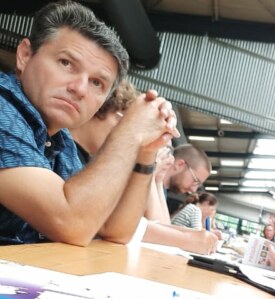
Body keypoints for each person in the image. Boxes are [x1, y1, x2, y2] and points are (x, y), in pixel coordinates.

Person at [0, 0, 179, 246]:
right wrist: (129, 130)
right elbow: (73, 224)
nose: (80, 88)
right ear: (25, 55)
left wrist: (147, 151)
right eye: (66, 63)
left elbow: (115, 230)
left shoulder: (60, 140)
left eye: (97, 83)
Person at [69, 81, 217, 254]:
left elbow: (120, 228)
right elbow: (103, 223)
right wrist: (186, 238)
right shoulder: (68, 153)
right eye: (125, 123)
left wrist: (148, 155)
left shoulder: (88, 160)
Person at [162, 143, 211, 215]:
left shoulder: (161, 191)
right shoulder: (148, 185)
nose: (194, 190)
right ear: (180, 165)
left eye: (198, 185)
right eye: (195, 180)